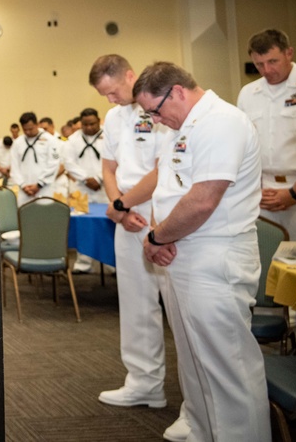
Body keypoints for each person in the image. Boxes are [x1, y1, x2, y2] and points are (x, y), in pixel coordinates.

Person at [135, 62, 270, 442]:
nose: (156, 120)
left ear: (177, 91)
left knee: (229, 368)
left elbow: (202, 201)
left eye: (156, 110)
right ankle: (203, 429)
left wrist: (157, 239)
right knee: (195, 358)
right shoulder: (183, 124)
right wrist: (159, 233)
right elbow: (170, 189)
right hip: (183, 251)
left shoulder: (221, 121)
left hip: (216, 256)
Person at [89, 54, 188, 442]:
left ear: (129, 76)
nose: (110, 101)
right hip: (125, 212)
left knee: (178, 307)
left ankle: (195, 403)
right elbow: (109, 168)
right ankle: (144, 382)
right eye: (104, 95)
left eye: (112, 91)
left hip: (163, 212)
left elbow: (164, 166)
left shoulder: (159, 103)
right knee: (133, 302)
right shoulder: (113, 118)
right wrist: (118, 207)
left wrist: (125, 204)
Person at [236, 29, 296, 238]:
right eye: (259, 64)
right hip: (262, 194)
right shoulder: (248, 93)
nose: (266, 70)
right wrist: (255, 189)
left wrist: (294, 194)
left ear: (289, 53)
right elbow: (243, 147)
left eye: (273, 61)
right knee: (271, 261)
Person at [62, 108, 107, 273]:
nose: (89, 128)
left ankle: (109, 262)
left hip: (105, 187)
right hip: (80, 188)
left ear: (99, 121)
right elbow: (68, 163)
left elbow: (115, 160)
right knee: (82, 225)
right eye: (85, 124)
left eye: (92, 124)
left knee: (106, 224)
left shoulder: (109, 136)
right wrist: (86, 179)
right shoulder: (73, 140)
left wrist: (99, 178)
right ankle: (83, 263)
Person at [9, 112, 59, 205]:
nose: (28, 132)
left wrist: (39, 184)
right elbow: (14, 166)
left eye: (30, 129)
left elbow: (54, 163)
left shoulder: (50, 140)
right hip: (24, 190)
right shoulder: (18, 143)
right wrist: (23, 185)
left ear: (37, 124)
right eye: (25, 129)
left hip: (44, 188)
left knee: (44, 216)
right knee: (25, 216)